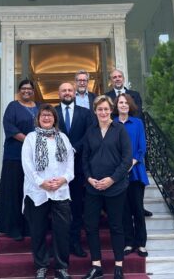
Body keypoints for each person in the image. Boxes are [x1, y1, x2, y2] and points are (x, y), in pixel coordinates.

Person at [82, 95, 132, 279]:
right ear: (94, 111)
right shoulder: (90, 131)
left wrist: (112, 179)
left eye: (106, 109)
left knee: (116, 225)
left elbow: (127, 159)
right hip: (93, 187)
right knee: (91, 226)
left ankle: (118, 265)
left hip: (116, 187)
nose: (103, 112)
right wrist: (89, 178)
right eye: (99, 109)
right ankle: (97, 265)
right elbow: (85, 158)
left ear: (111, 110)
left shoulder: (120, 130)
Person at [22, 104, 74, 279]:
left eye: (49, 116)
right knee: (38, 231)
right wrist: (41, 183)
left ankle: (61, 267)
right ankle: (41, 266)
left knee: (62, 230)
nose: (46, 118)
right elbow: (27, 165)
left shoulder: (64, 138)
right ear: (38, 118)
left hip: (61, 191)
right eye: (43, 115)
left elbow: (70, 165)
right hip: (37, 192)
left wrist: (63, 179)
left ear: (55, 119)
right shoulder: (30, 138)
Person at [0, 79, 38, 240]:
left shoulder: (38, 107)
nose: (26, 91)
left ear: (33, 91)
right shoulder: (13, 106)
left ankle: (28, 226)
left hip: (34, 157)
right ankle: (12, 228)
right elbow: (10, 128)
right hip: (15, 156)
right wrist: (29, 141)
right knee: (14, 191)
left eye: (29, 88)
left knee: (30, 192)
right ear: (19, 91)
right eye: (23, 88)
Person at [106, 69, 153, 217]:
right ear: (111, 80)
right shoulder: (107, 98)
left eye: (119, 76)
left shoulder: (135, 95)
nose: (117, 79)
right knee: (123, 208)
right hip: (119, 165)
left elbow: (139, 115)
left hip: (134, 157)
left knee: (137, 202)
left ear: (124, 78)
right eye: (114, 77)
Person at [55, 82, 93, 258]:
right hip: (56, 168)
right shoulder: (51, 112)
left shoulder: (85, 113)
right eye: (64, 90)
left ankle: (75, 242)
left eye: (70, 90)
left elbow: (89, 134)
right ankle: (60, 245)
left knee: (77, 207)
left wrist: (73, 148)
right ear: (59, 93)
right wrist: (63, 150)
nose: (67, 93)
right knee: (58, 208)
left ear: (74, 93)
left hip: (78, 168)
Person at [113, 94, 149, 258]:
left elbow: (142, 146)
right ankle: (128, 242)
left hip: (135, 171)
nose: (123, 105)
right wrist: (120, 167)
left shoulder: (138, 123)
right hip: (118, 174)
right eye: (120, 102)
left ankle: (141, 244)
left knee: (137, 209)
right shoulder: (112, 124)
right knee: (124, 210)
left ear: (130, 105)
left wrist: (131, 163)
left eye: (126, 102)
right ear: (117, 105)